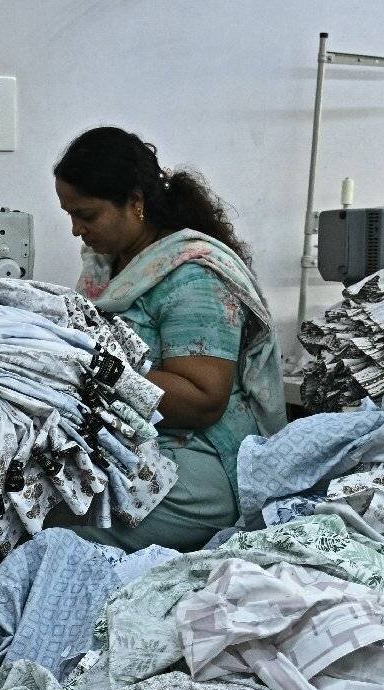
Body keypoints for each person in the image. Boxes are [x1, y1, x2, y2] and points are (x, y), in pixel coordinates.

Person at [54, 126, 284, 551]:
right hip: (133, 445)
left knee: (54, 529)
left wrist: (85, 372)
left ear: (135, 203)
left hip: (199, 462)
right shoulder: (106, 269)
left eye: (86, 215)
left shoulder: (191, 277)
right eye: (69, 214)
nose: (75, 230)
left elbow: (202, 400)